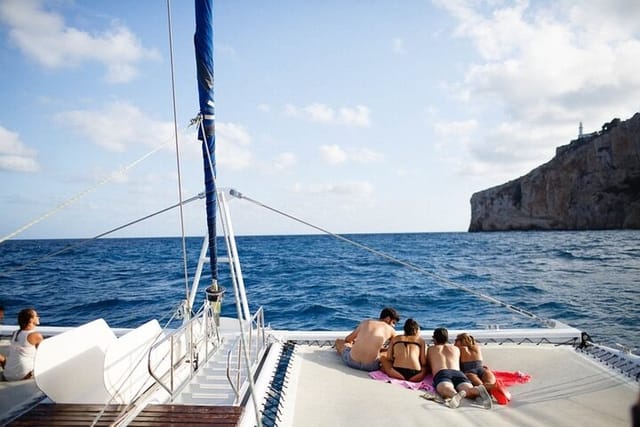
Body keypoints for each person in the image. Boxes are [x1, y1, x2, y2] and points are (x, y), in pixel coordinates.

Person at [427, 327, 492, 409]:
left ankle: (454, 394)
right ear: (447, 338)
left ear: (434, 339)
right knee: (468, 389)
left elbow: (428, 365)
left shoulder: (431, 349)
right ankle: (476, 391)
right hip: (458, 373)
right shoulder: (455, 349)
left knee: (446, 388)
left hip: (442, 373)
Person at [335, 307, 399, 372]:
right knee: (386, 353)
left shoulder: (366, 322)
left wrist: (354, 344)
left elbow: (348, 339)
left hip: (351, 362)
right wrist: (382, 349)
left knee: (339, 341)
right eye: (393, 322)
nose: (394, 326)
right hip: (371, 366)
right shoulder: (391, 330)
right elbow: (397, 348)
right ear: (388, 319)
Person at [3, 308, 44, 381]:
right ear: (31, 320)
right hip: (22, 375)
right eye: (36, 316)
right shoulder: (36, 335)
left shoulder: (15, 333)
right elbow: (42, 356)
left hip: (8, 374)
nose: (38, 317)